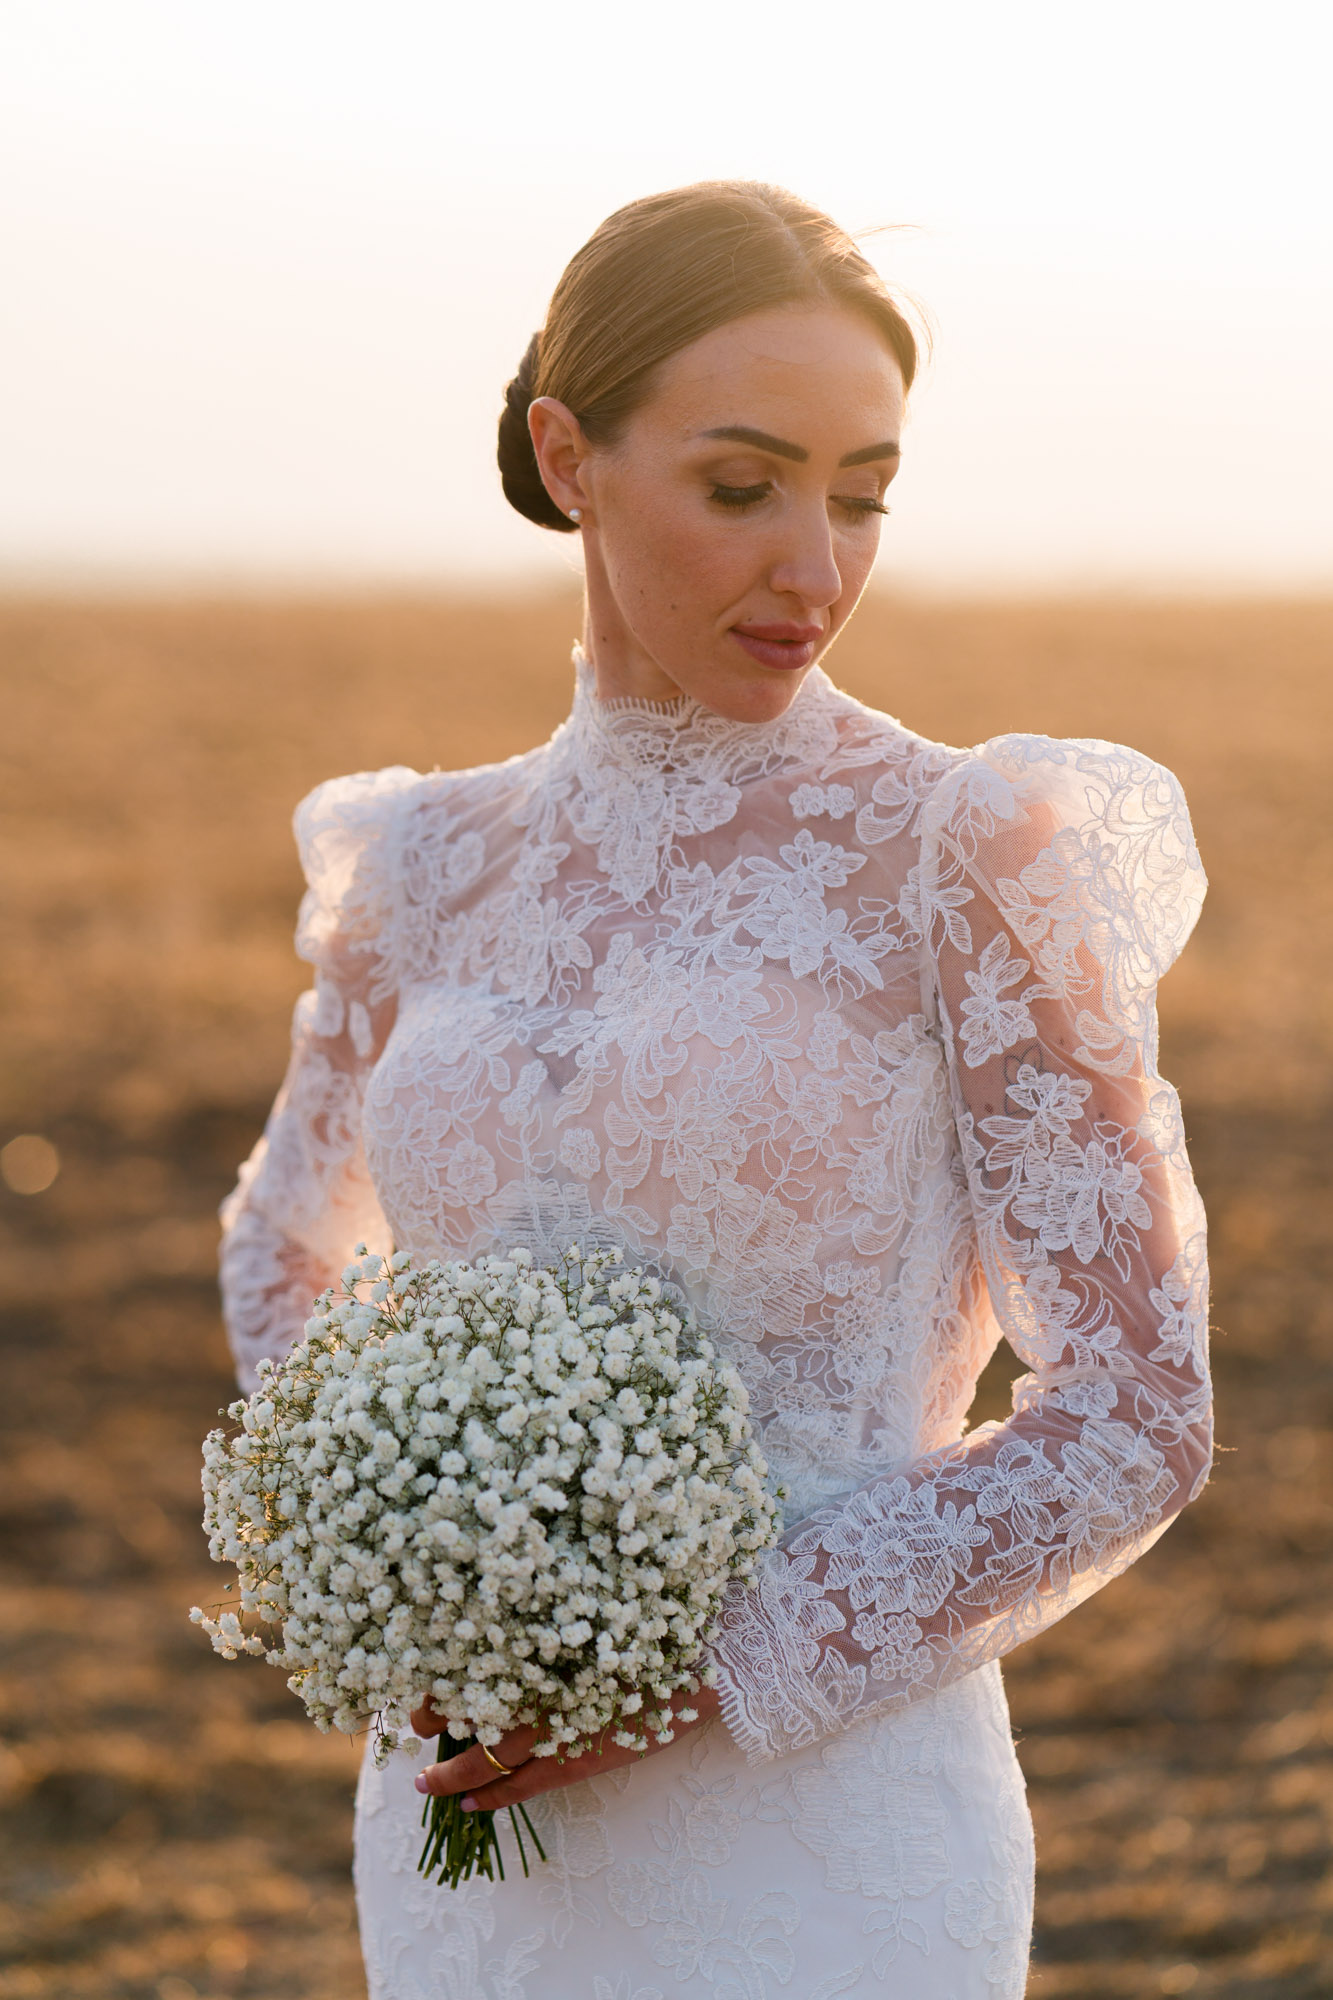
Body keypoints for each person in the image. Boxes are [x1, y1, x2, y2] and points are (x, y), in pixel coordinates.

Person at [219, 181, 1213, 1999]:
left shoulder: (965, 853)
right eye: (744, 487)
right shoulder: (425, 863)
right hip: (468, 1813)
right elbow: (287, 1243)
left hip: (820, 1827)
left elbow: (1136, 1409)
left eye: (862, 494)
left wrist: (697, 1665)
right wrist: (411, 1542)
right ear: (569, 456)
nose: (814, 569)